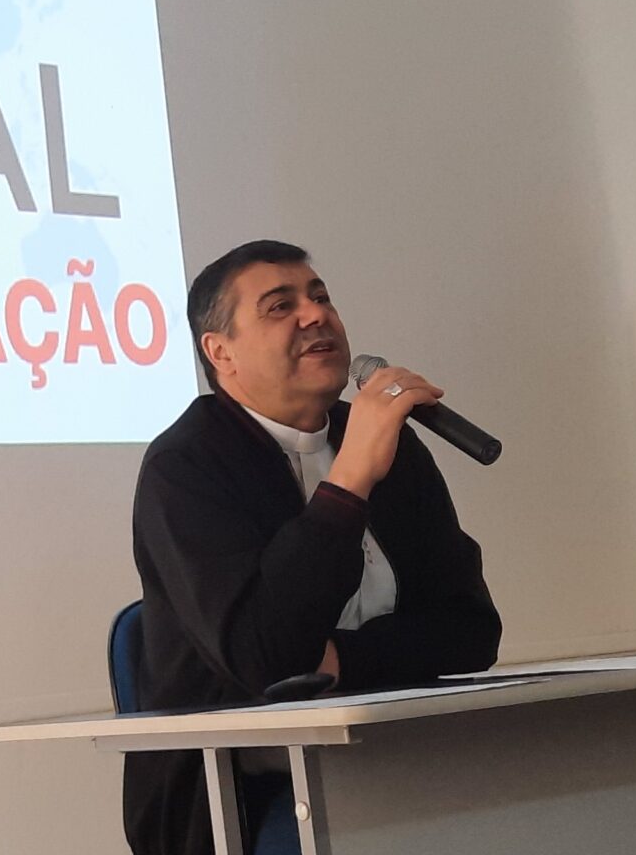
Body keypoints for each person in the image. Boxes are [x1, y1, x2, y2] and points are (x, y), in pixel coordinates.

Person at [123, 240, 502, 855]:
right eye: (281, 306)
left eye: (321, 297)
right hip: (239, 790)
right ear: (220, 353)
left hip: (402, 748)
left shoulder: (391, 443)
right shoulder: (185, 465)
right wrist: (349, 480)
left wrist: (338, 663)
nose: (316, 314)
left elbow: (472, 631)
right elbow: (266, 659)